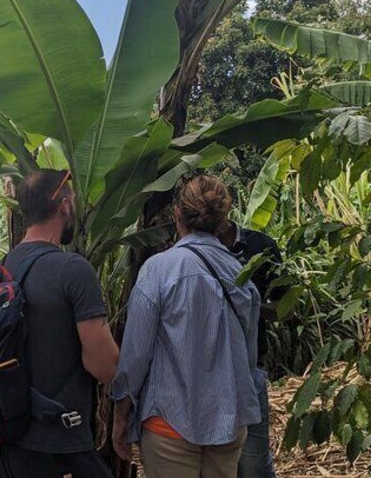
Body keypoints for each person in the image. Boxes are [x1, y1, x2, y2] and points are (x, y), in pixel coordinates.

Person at [111, 175, 261, 478]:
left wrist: (120, 415)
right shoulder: (239, 273)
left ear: (177, 213)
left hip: (170, 424)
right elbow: (248, 356)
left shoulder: (159, 270)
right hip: (228, 424)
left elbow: (136, 356)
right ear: (223, 217)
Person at [0, 169, 120, 478]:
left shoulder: (2, 269)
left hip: (3, 440)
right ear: (64, 205)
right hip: (55, 445)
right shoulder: (73, 270)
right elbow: (104, 367)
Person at [220, 221, 285, 478]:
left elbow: (285, 308)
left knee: (253, 463)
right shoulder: (186, 251)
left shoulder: (261, 247)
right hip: (203, 372)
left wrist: (248, 305)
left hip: (249, 367)